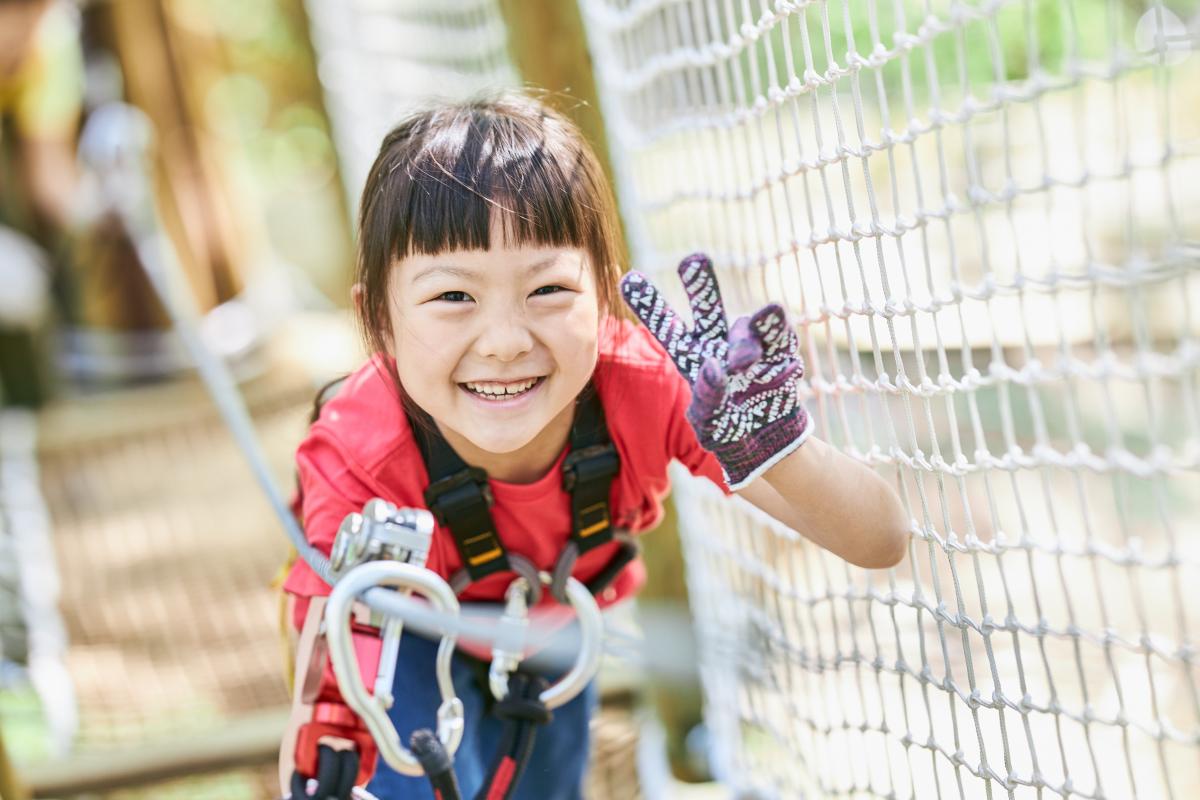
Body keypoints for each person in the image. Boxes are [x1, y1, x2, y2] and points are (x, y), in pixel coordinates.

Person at [281, 92, 909, 799]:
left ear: (604, 299)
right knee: (415, 777)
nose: (505, 341)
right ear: (379, 322)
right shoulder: (355, 459)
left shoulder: (646, 387)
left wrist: (777, 447)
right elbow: (329, 681)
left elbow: (880, 539)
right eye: (454, 297)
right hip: (404, 634)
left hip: (550, 628)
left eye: (548, 288)